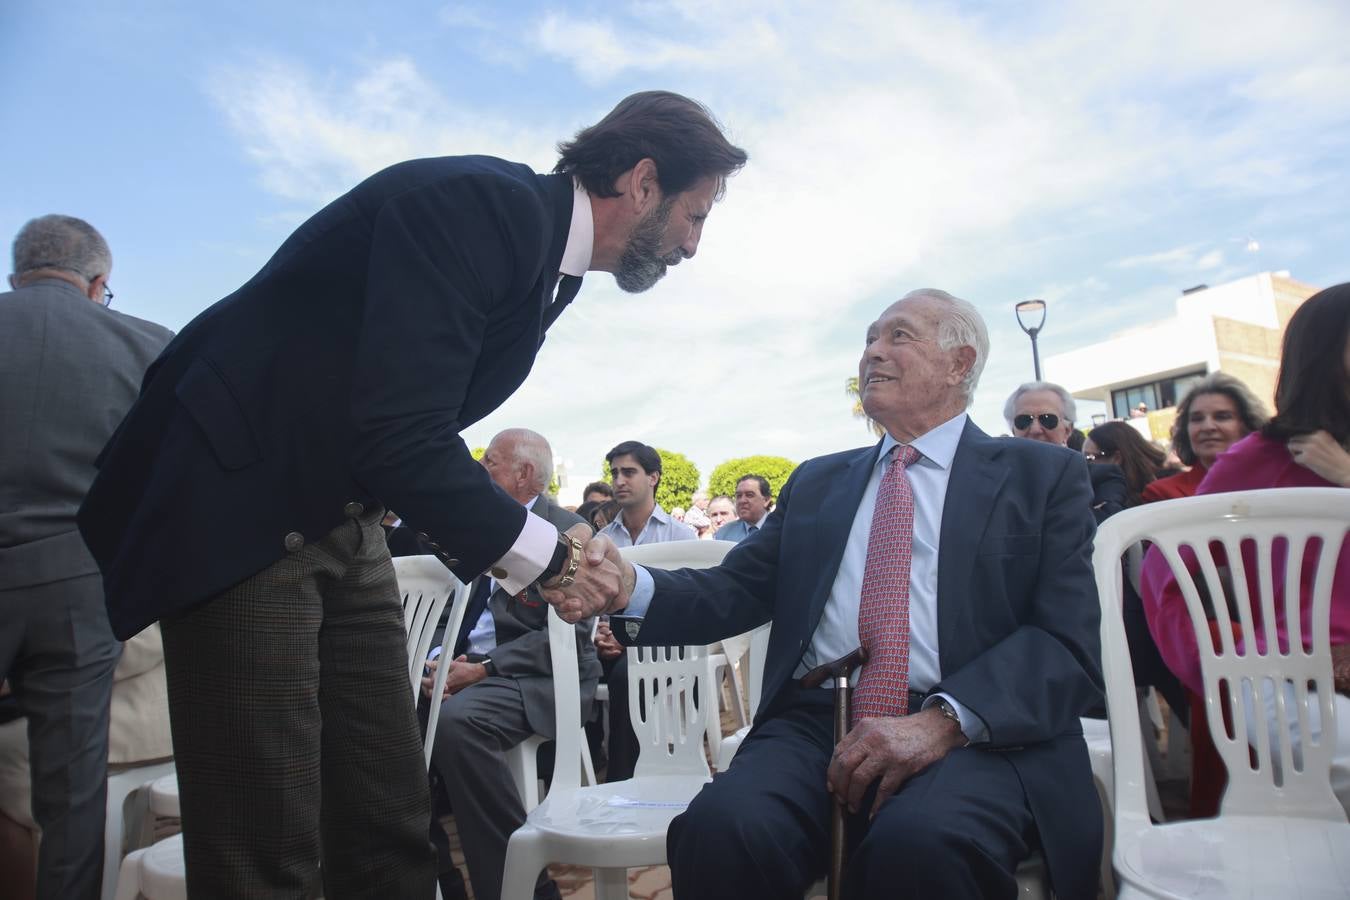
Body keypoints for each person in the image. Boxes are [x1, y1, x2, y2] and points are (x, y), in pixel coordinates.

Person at [76, 91, 746, 898]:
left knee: (388, 815)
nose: (693, 245)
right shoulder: (480, 208)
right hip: (245, 509)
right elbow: (401, 432)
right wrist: (557, 562)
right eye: (697, 215)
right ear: (642, 182)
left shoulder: (541, 259)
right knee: (268, 841)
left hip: (339, 514)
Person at [561, 289, 1104, 899]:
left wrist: (944, 721)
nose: (873, 351)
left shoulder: (1040, 475)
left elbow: (1065, 638)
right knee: (724, 829)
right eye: (869, 338)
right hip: (819, 719)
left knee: (921, 845)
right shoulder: (820, 481)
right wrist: (629, 586)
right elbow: (737, 587)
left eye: (898, 336)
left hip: (973, 730)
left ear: (960, 363)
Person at [0, 215, 173, 899]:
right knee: (70, 802)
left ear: (16, 277)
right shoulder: (148, 346)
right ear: (99, 282)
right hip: (81, 591)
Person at [1141, 282, 1350, 815]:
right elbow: (1164, 580)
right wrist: (1228, 660)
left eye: (1221, 416)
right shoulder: (1261, 460)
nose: (1208, 427)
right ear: (1327, 355)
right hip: (1305, 682)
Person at [425, 429, 599, 900]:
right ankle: (436, 880)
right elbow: (445, 610)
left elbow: (572, 635)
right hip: (465, 668)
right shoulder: (471, 527)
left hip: (538, 675)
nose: (478, 471)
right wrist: (439, 661)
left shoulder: (567, 535)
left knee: (459, 724)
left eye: (489, 462)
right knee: (382, 723)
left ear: (524, 475)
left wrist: (484, 669)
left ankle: (522, 887)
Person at [594, 440, 697, 780]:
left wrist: (632, 638)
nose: (619, 481)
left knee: (629, 674)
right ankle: (577, 762)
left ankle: (623, 779)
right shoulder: (605, 539)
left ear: (653, 477)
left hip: (667, 645)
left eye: (629, 472)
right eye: (614, 473)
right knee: (568, 667)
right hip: (612, 647)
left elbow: (690, 603)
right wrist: (601, 633)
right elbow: (597, 604)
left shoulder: (681, 536)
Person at [1006, 381, 1127, 523]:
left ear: (1067, 430)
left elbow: (1106, 525)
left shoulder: (1101, 478)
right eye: (1024, 420)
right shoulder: (998, 482)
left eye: (1047, 419)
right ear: (1014, 430)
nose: (1035, 430)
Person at [1141, 373, 1269, 502]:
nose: (1207, 427)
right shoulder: (1162, 494)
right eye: (1197, 419)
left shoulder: (1276, 482)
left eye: (1222, 417)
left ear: (1247, 425)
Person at [1082, 421, 1170, 507]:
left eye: (1089, 458)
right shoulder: (1168, 484)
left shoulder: (1158, 493)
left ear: (1116, 458)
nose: (1083, 464)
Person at [714, 475, 773, 541]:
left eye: (749, 495)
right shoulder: (724, 533)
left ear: (766, 500)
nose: (742, 501)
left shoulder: (781, 529)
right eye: (739, 496)